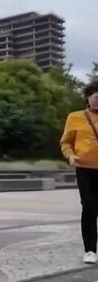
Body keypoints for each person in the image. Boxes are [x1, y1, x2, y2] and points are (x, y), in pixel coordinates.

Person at [60, 82, 98, 265]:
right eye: (96, 97)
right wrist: (70, 155)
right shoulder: (75, 117)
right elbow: (66, 142)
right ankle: (90, 249)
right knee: (89, 208)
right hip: (84, 169)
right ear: (88, 98)